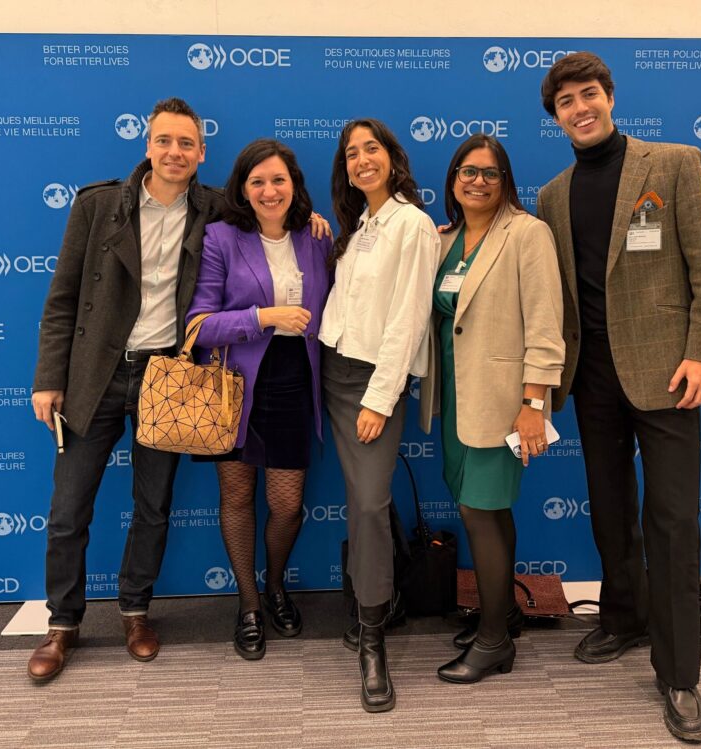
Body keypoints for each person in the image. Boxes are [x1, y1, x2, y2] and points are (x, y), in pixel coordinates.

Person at [536, 52, 701, 743]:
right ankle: (622, 618)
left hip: (669, 373)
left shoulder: (674, 163)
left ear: (610, 96)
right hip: (592, 378)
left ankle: (678, 675)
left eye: (589, 94)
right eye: (566, 102)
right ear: (556, 116)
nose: (580, 108)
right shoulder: (552, 195)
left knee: (672, 523)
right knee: (612, 509)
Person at [28, 97, 221, 681]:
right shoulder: (98, 205)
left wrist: (312, 224)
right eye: (164, 140)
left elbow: (273, 221)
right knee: (68, 510)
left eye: (185, 143)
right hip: (96, 374)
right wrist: (49, 379)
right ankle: (62, 624)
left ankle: (136, 612)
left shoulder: (216, 208)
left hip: (168, 377)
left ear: (201, 152)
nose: (174, 152)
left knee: (153, 505)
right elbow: (62, 299)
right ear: (147, 145)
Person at [419, 135, 564, 684]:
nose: (477, 181)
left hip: (503, 403)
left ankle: (493, 642)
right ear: (453, 179)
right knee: (487, 511)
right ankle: (503, 615)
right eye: (467, 171)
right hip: (455, 399)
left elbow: (546, 327)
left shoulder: (527, 234)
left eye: (490, 173)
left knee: (481, 512)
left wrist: (533, 404)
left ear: (506, 181)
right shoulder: (445, 240)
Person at [186, 139, 331, 660]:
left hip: (295, 380)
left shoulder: (316, 237)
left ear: (294, 185)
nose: (270, 191)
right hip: (234, 385)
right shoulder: (221, 238)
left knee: (288, 506)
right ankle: (248, 603)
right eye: (258, 182)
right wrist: (263, 317)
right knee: (237, 498)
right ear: (243, 190)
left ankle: (275, 584)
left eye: (279, 180)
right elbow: (199, 325)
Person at [319, 118, 439, 712]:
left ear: (392, 157)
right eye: (351, 153)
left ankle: (373, 642)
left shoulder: (412, 224)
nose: (361, 159)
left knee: (368, 503)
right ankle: (379, 603)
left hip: (370, 383)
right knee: (362, 498)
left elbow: (410, 318)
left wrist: (380, 397)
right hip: (329, 369)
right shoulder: (360, 226)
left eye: (372, 149)